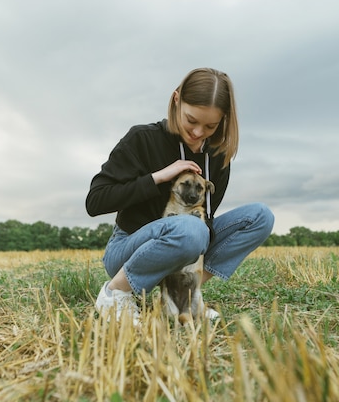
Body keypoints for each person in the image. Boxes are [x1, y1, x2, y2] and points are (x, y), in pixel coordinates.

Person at [85, 67, 274, 324]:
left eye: (210, 125)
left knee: (260, 216)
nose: (198, 133)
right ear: (176, 101)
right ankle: (115, 292)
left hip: (187, 242)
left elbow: (207, 217)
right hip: (128, 248)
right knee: (191, 228)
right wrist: (158, 177)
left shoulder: (217, 158)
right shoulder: (142, 139)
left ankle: (181, 293)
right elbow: (95, 201)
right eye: (191, 120)